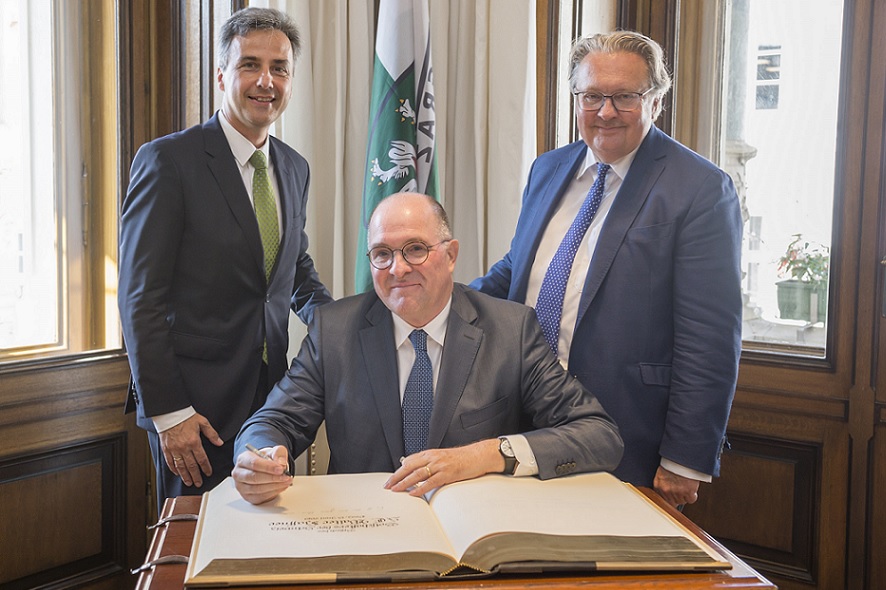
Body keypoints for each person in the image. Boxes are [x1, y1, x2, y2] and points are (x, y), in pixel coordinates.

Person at [470, 31, 742, 507]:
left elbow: (710, 337)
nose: (606, 111)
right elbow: (521, 267)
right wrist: (445, 301)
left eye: (625, 97)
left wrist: (685, 458)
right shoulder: (548, 169)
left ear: (656, 102)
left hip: (628, 431)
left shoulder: (699, 188)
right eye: (592, 95)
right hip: (521, 415)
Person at [232, 192, 623, 505]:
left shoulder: (510, 330)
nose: (398, 269)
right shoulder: (335, 330)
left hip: (477, 535)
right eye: (382, 254)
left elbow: (599, 435)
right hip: (366, 528)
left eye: (415, 249)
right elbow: (273, 422)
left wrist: (485, 455)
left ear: (450, 255)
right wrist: (260, 458)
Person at [118, 7, 332, 511]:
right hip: (195, 408)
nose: (266, 81)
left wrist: (348, 326)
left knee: (266, 539)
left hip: (273, 399)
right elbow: (139, 298)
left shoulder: (294, 168)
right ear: (221, 75)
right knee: (196, 548)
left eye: (279, 68)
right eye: (249, 65)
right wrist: (170, 414)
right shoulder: (169, 161)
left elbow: (294, 272)